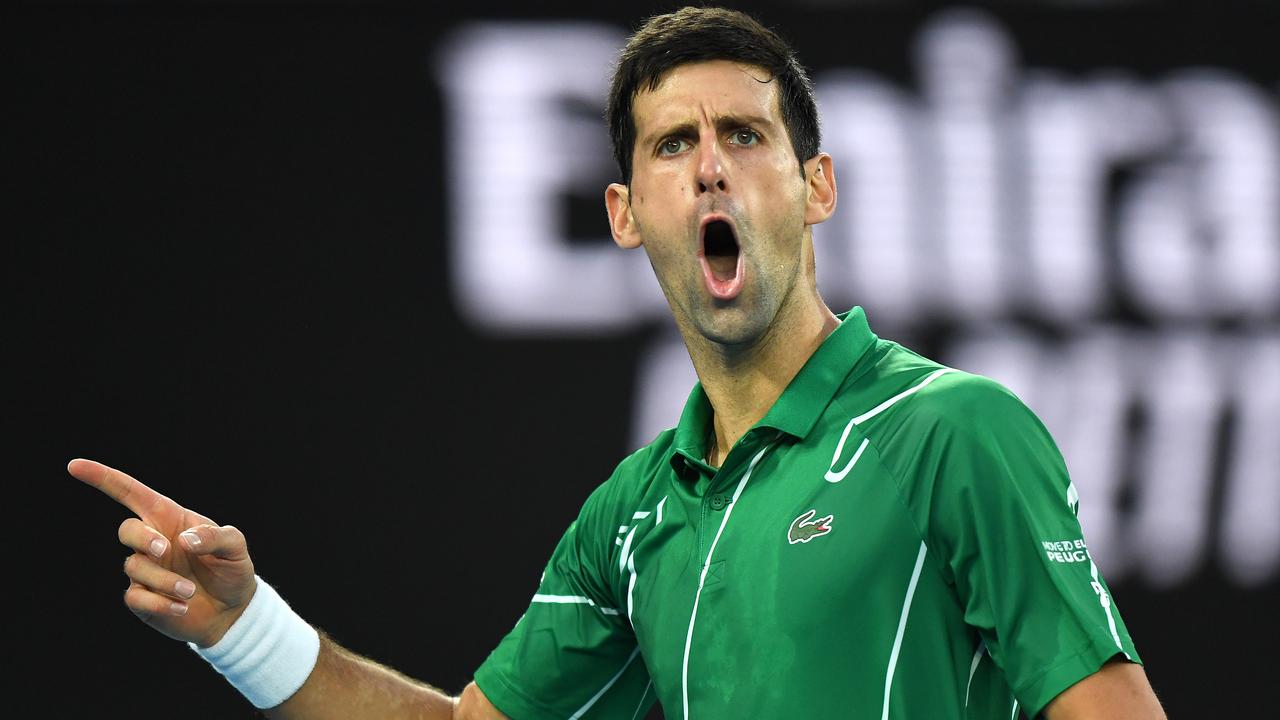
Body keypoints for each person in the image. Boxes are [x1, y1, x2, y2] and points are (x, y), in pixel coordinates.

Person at [70, 6, 1168, 719]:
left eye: (744, 136)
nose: (709, 171)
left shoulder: (953, 433)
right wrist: (243, 626)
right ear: (625, 212)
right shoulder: (632, 515)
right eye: (671, 145)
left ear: (816, 187)